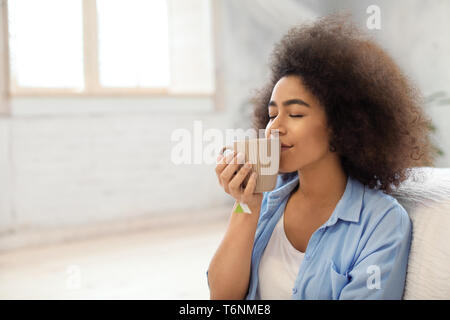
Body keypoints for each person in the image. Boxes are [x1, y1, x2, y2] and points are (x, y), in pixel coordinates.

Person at [207, 13, 436, 300]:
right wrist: (246, 207)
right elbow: (221, 297)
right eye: (272, 114)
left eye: (295, 114)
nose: (274, 128)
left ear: (342, 126)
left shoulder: (382, 221)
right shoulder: (266, 200)